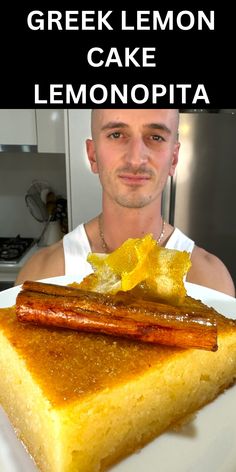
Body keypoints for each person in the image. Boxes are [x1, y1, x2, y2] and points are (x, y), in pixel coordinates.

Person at [15, 109, 235, 297]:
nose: (135, 159)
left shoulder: (211, 282)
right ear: (93, 156)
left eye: (156, 137)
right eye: (117, 134)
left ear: (174, 159)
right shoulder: (42, 277)